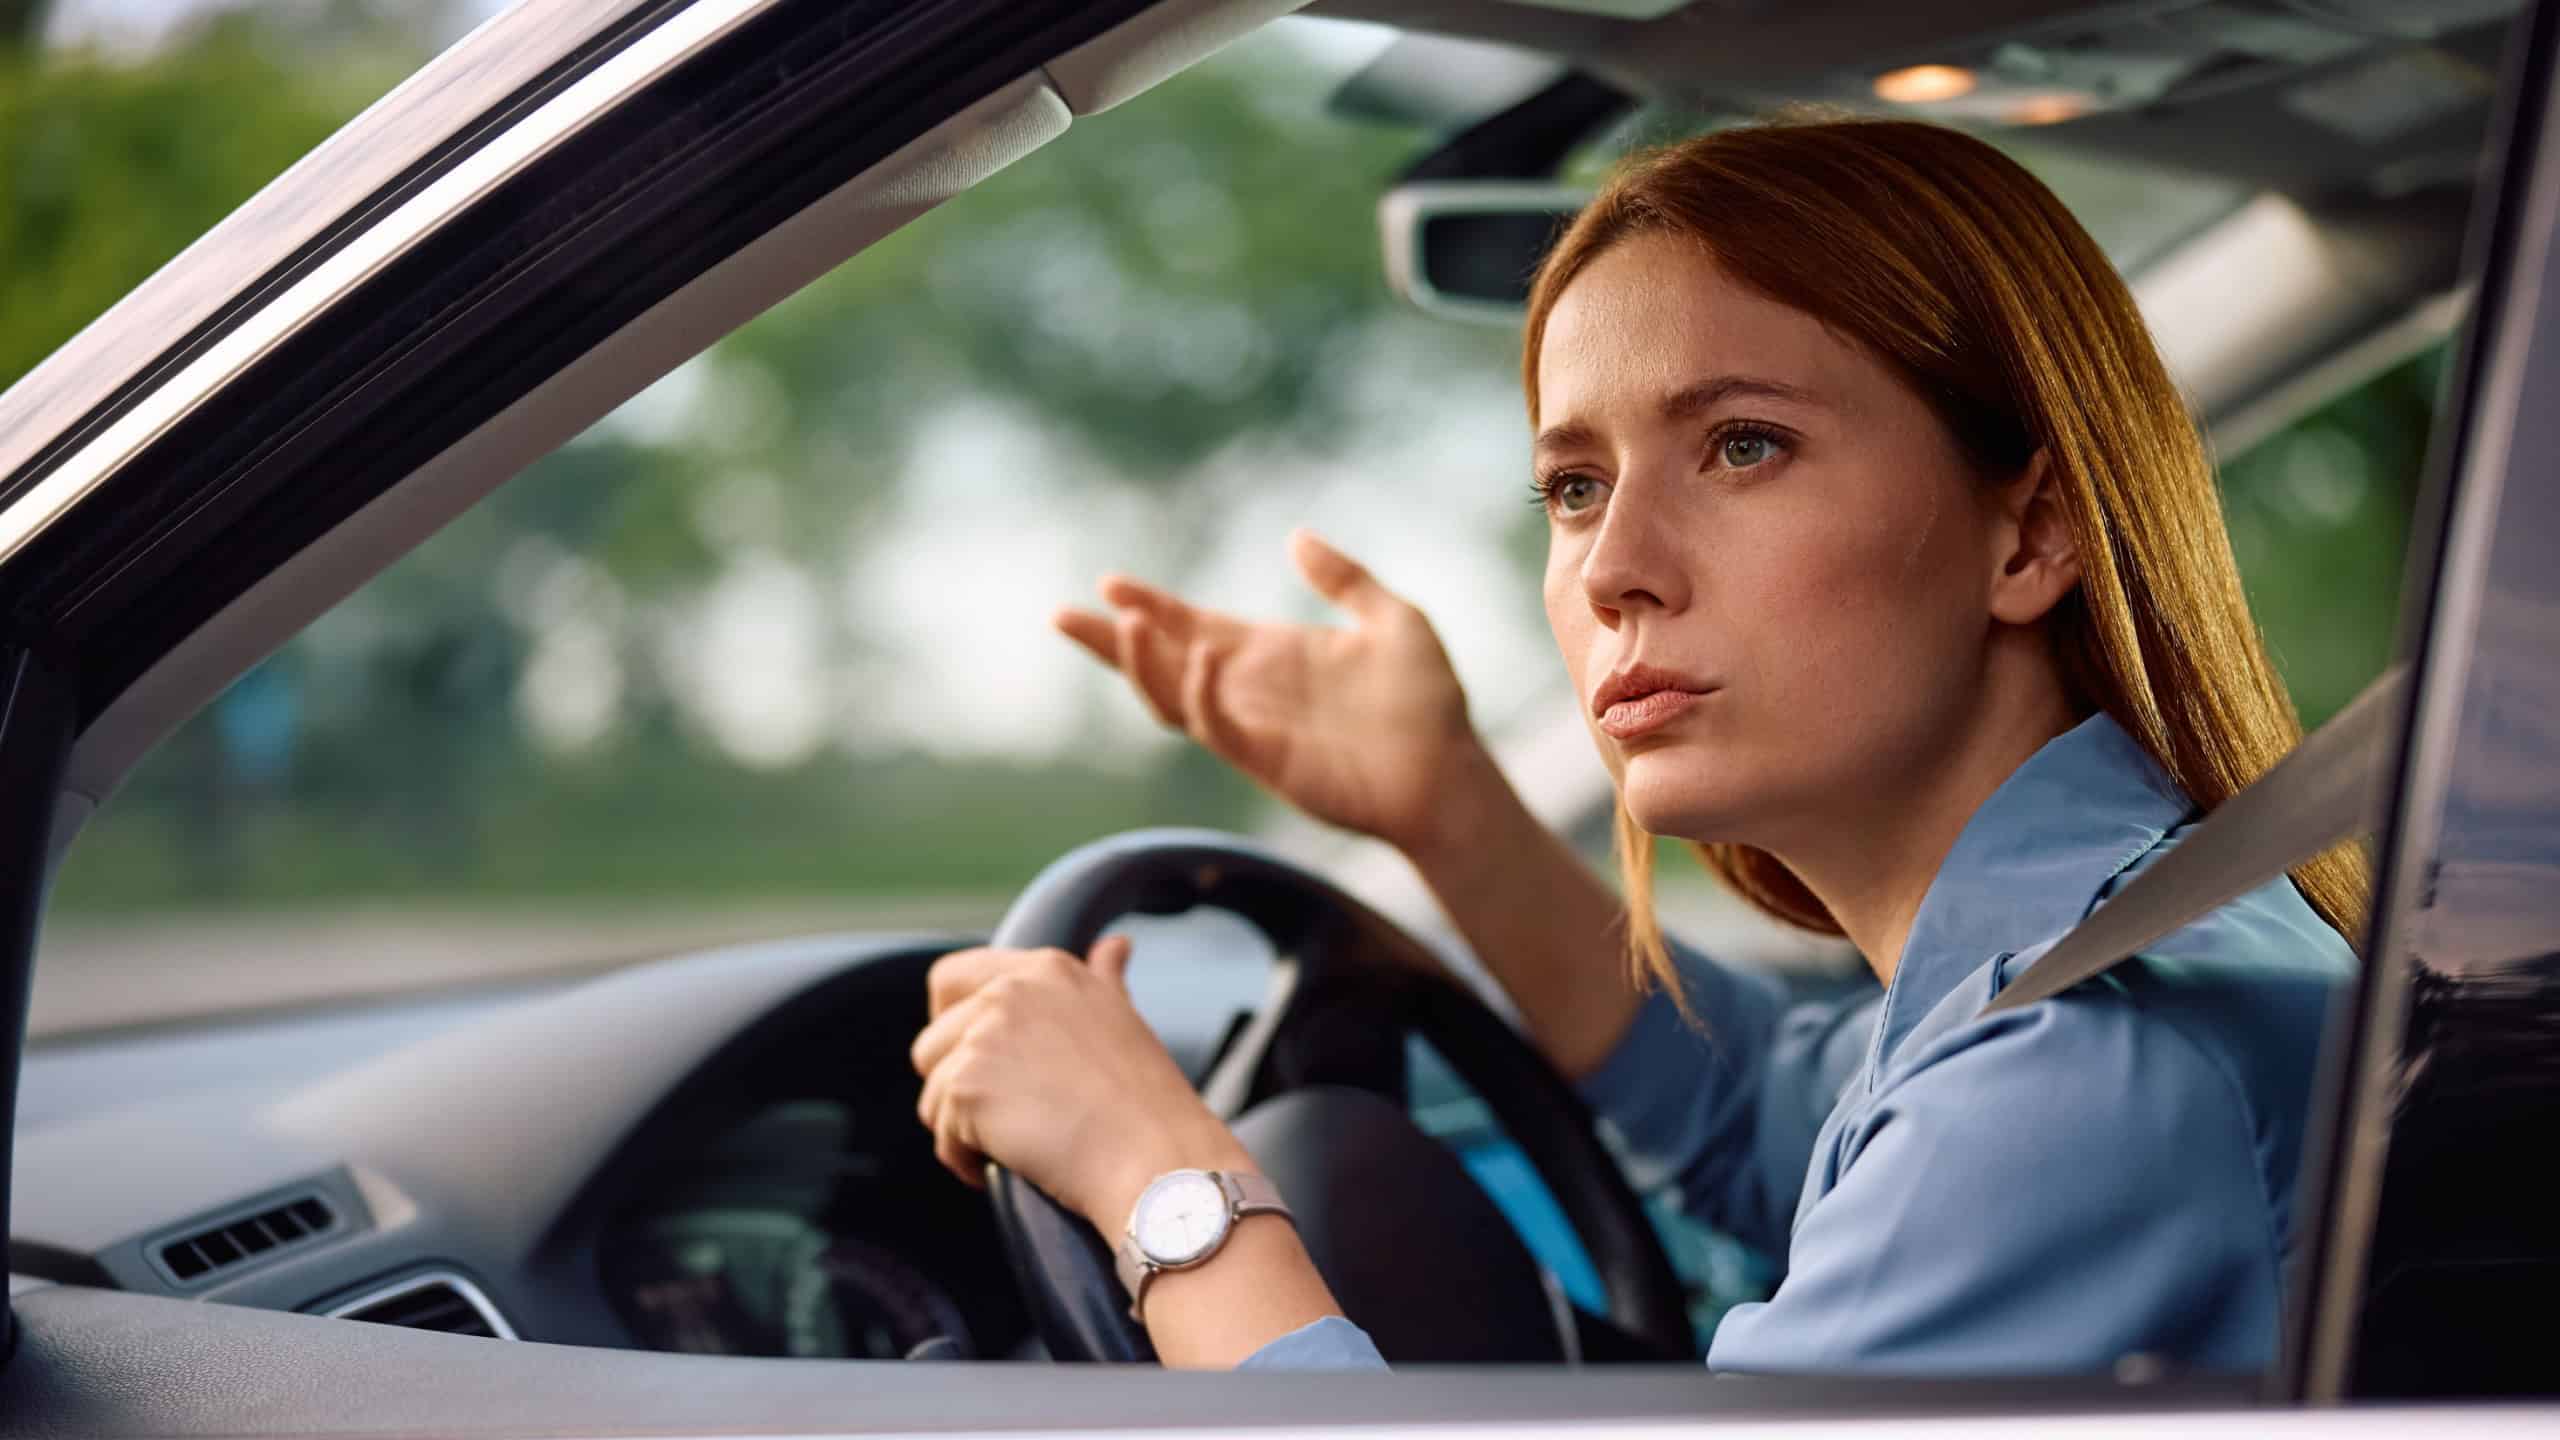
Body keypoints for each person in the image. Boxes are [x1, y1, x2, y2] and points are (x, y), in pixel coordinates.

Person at [906, 117, 2361, 1374]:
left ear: (2030, 532)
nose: (1613, 568)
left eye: (1742, 445)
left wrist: (1161, 1185)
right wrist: (1453, 815)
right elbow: (1749, 1116)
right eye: (1575, 485)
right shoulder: (2109, 943)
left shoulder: (2080, 1070)